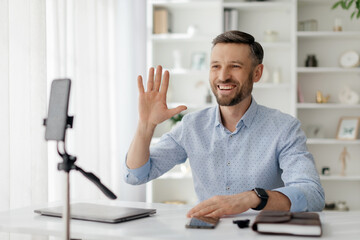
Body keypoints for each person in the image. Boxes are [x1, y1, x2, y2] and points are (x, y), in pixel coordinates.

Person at [123, 31, 325, 218]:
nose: (222, 76)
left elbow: (312, 194)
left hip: (263, 233)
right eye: (215, 66)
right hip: (207, 232)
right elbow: (136, 175)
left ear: (257, 73)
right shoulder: (191, 126)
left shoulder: (284, 128)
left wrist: (252, 198)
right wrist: (145, 126)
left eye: (235, 66)